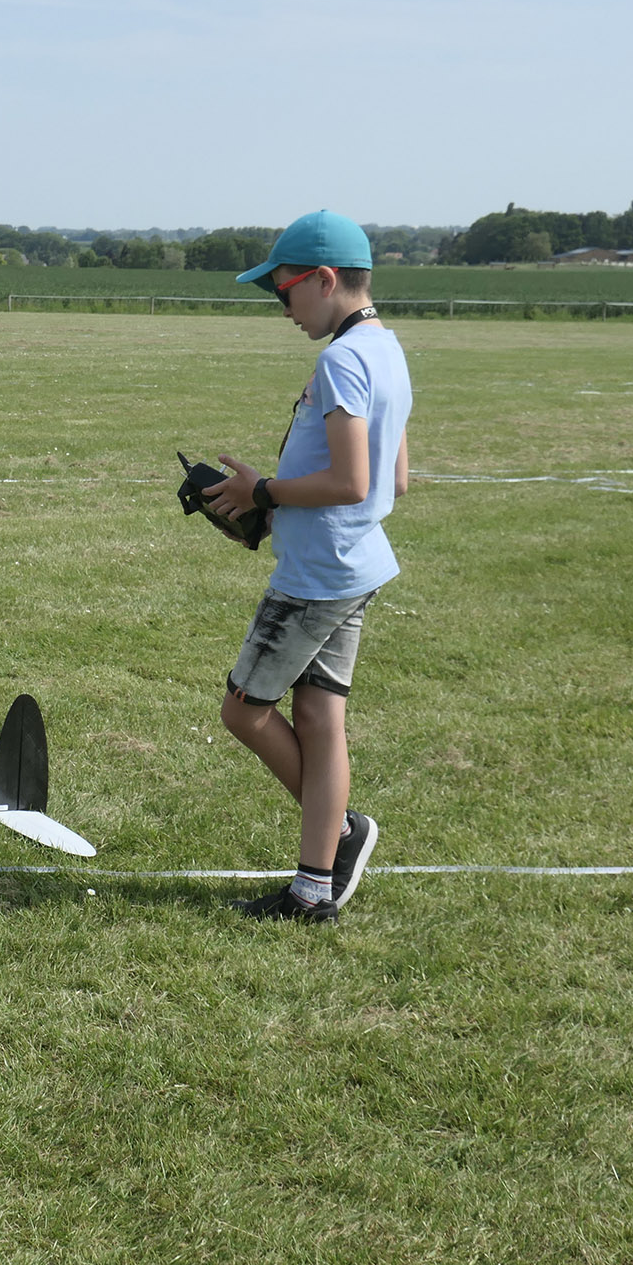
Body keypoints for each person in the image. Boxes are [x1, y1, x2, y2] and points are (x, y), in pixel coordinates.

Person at [199, 209, 411, 922]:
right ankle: (313, 887)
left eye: (283, 292)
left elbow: (350, 481)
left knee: (243, 709)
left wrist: (259, 491)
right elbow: (394, 479)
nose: (281, 308)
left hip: (316, 576)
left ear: (323, 280)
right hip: (355, 564)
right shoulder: (387, 351)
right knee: (318, 718)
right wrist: (270, 495)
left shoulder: (341, 360)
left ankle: (342, 829)